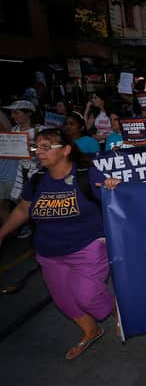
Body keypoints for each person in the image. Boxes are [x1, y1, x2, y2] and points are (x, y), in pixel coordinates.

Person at [0, 128, 120, 360]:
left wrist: (113, 185)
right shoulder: (36, 181)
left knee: (86, 295)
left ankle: (117, 311)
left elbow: (114, 195)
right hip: (48, 253)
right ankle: (91, 330)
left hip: (87, 248)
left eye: (46, 147)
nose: (39, 152)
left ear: (65, 150)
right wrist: (3, 232)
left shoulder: (87, 174)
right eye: (37, 147)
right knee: (64, 299)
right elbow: (25, 208)